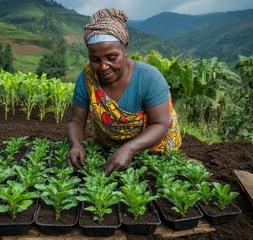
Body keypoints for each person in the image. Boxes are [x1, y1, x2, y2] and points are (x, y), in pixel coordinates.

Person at [66, 8, 182, 176]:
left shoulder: (148, 77)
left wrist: (129, 148)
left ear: (125, 49)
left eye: (112, 58)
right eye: (95, 60)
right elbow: (76, 121)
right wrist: (75, 145)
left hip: (153, 149)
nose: (104, 67)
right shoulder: (87, 79)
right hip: (109, 149)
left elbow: (160, 124)